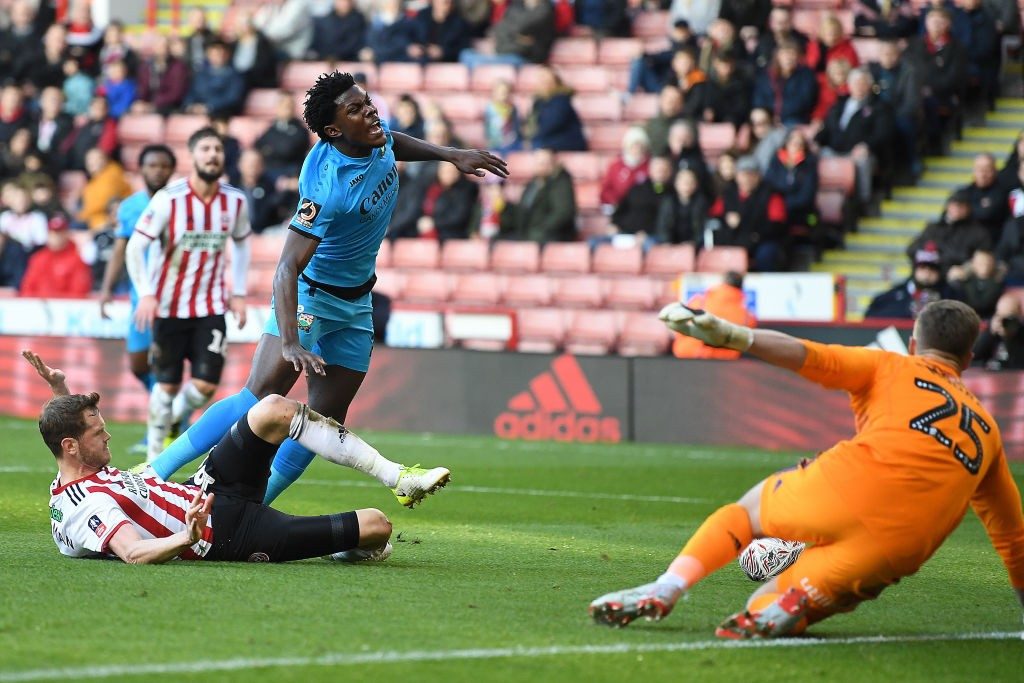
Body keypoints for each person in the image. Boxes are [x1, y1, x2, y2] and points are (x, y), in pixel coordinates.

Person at [147, 71, 506, 505]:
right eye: (356, 109)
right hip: (312, 296)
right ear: (334, 130)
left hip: (357, 303)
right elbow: (285, 268)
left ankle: (250, 508)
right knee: (257, 396)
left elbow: (393, 139)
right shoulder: (328, 188)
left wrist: (451, 155)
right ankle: (153, 473)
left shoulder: (373, 137)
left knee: (325, 419)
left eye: (367, 101)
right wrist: (292, 343)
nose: (370, 111)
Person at [590, 299, 1024, 638]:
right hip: (898, 549)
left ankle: (669, 585)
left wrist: (734, 336)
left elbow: (812, 356)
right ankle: (790, 604)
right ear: (968, 358)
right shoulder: (987, 431)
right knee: (764, 601)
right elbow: (1013, 537)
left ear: (913, 343)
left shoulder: (891, 365)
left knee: (747, 511)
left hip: (845, 488)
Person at [25, 349, 400, 564]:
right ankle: (341, 550)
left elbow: (64, 434)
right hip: (226, 534)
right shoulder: (88, 505)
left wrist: (59, 389)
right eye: (96, 432)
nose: (107, 435)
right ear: (71, 446)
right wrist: (185, 538)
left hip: (207, 486)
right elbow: (133, 553)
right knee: (377, 525)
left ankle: (392, 472)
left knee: (272, 408)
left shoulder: (73, 472)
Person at [124, 128, 252, 464]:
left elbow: (241, 244)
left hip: (210, 306)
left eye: (218, 149)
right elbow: (136, 246)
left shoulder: (235, 201)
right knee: (164, 386)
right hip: (168, 307)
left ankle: (174, 419)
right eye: (206, 149)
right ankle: (153, 461)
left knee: (205, 388)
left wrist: (237, 292)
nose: (212, 155)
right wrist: (146, 293)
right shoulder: (169, 198)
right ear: (193, 156)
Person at [98, 145, 176, 396]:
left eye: (164, 166)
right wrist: (107, 288)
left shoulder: (180, 203)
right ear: (141, 169)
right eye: (152, 165)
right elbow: (121, 248)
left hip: (174, 294)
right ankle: (167, 414)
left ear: (172, 170)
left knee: (167, 362)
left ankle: (168, 424)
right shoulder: (130, 206)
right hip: (140, 296)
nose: (158, 171)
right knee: (138, 363)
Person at [671, 270, 756, 360]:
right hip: (724, 362)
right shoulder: (748, 316)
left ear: (723, 282)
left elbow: (680, 326)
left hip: (688, 355)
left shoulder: (699, 301)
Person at [498, 147, 576, 243]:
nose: (541, 166)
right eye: (539, 162)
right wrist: (505, 207)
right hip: (529, 233)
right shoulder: (533, 184)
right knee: (497, 241)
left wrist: (540, 229)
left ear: (553, 163)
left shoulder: (561, 183)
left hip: (551, 236)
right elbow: (522, 211)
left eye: (545, 162)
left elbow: (563, 213)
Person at [865, 244, 959, 319]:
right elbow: (870, 318)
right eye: (922, 267)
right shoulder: (894, 295)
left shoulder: (951, 296)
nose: (927, 273)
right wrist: (906, 311)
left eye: (932, 269)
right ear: (914, 269)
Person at [18, 214, 91, 298]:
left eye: (59, 233)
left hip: (65, 308)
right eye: (52, 233)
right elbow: (27, 288)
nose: (56, 237)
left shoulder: (77, 260)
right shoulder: (38, 258)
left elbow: (79, 292)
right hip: (37, 307)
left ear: (66, 234)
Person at [974, 293, 1024, 370]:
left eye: (1008, 317)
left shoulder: (1021, 335)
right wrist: (990, 333)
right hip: (992, 377)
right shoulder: (992, 332)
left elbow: (1018, 365)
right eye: (999, 315)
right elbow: (974, 356)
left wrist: (1011, 337)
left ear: (1019, 315)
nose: (1003, 321)